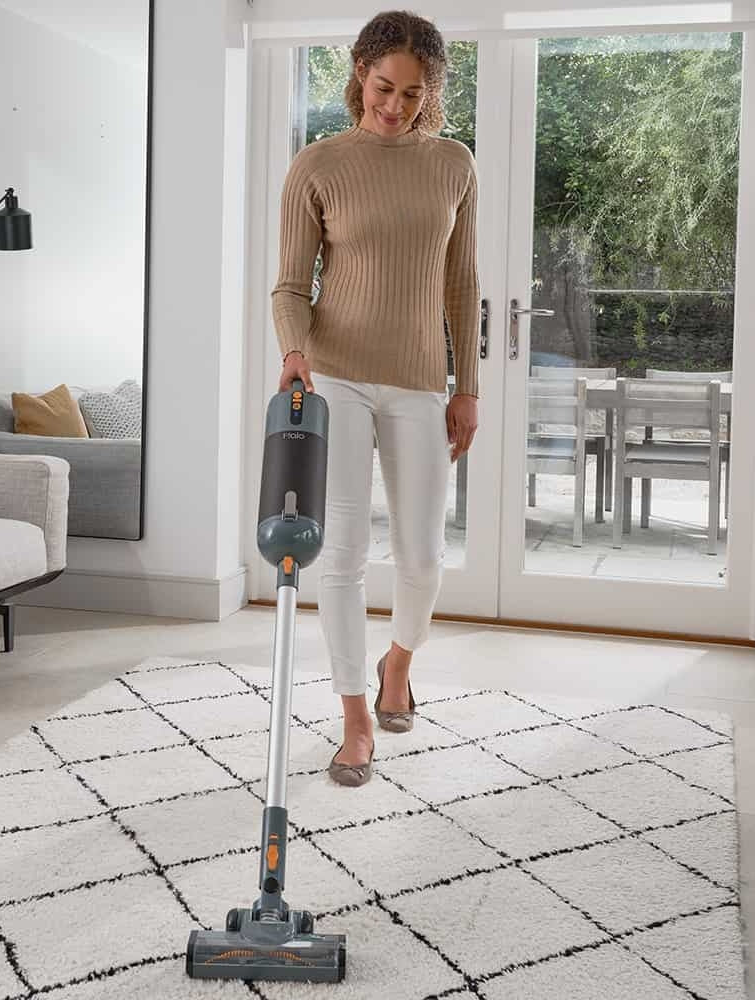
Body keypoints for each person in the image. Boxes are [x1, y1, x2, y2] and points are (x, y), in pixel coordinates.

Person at [271, 10, 479, 787]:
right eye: (383, 87)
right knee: (345, 553)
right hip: (337, 374)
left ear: (432, 92)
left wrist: (470, 388)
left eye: (412, 94)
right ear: (359, 70)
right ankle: (356, 715)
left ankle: (399, 662)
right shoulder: (318, 164)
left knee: (423, 556)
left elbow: (462, 283)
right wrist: (294, 353)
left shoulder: (454, 164)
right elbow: (292, 285)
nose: (394, 107)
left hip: (422, 378)